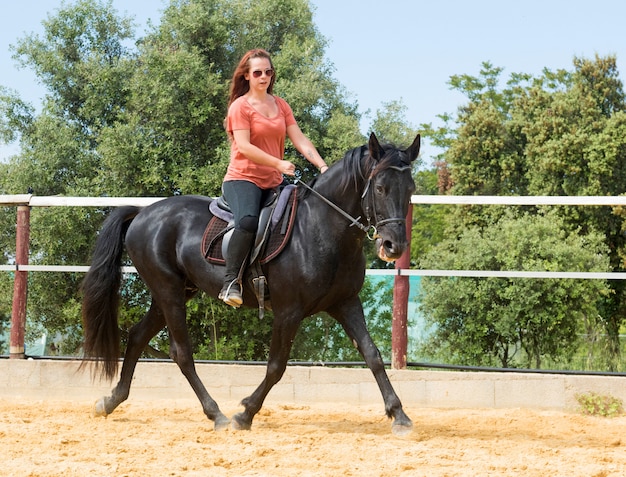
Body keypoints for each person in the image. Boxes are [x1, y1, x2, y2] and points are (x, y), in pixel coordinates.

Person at [219, 48, 328, 307]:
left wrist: (323, 166)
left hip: (274, 182)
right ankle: (231, 282)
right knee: (247, 222)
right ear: (246, 75)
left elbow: (299, 138)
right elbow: (244, 147)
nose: (264, 76)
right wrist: (278, 162)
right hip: (242, 179)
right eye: (258, 72)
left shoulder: (280, 105)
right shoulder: (240, 107)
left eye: (268, 72)